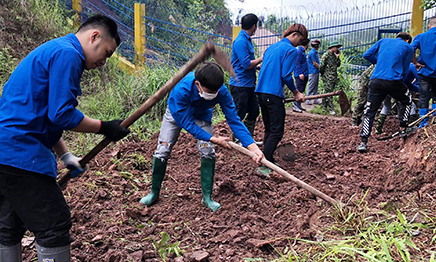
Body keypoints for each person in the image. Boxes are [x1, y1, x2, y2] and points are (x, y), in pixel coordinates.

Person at [0, 15, 130, 261]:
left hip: (5, 151)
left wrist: (66, 155)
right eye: (107, 53)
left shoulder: (54, 49)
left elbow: (41, 114)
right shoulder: (68, 54)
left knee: (8, 227)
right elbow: (61, 114)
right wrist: (104, 127)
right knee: (53, 226)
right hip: (20, 153)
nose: (104, 61)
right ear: (94, 37)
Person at [139, 62, 264, 212]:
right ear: (197, 84)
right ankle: (154, 193)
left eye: (216, 90)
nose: (213, 93)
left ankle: (207, 198)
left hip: (202, 116)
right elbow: (187, 123)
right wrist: (212, 138)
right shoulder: (181, 89)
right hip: (176, 115)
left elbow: (234, 120)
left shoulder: (222, 91)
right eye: (209, 91)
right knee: (163, 149)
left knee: (208, 152)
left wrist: (253, 147)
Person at [255, 23, 307, 173]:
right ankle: (265, 164)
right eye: (301, 39)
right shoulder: (291, 50)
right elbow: (285, 75)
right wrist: (297, 93)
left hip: (261, 92)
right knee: (277, 131)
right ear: (295, 35)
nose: (300, 43)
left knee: (269, 128)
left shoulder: (272, 48)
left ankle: (268, 159)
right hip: (273, 93)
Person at [357, 32, 414, 153]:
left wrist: (380, 62)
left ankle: (363, 142)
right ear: (408, 40)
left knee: (369, 111)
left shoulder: (383, 41)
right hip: (393, 81)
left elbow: (366, 55)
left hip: (376, 81)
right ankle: (403, 128)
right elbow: (404, 69)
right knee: (407, 100)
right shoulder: (408, 47)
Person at [230, 13, 263, 143]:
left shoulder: (247, 39)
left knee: (254, 111)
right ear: (254, 26)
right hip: (240, 85)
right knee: (240, 113)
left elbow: (248, 63)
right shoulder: (240, 41)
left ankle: (247, 140)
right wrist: (261, 59)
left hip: (248, 84)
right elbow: (246, 64)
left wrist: (258, 66)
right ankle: (236, 139)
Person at [375, 62, 420, 134]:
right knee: (411, 105)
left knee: (386, 106)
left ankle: (378, 128)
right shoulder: (410, 66)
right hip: (397, 88)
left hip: (384, 86)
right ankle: (412, 125)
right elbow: (418, 79)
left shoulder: (393, 64)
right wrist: (420, 89)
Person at [411, 16, 436, 128]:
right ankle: (434, 120)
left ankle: (423, 123)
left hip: (424, 72)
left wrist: (416, 63)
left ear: (429, 26)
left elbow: (410, 49)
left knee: (423, 97)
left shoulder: (421, 37)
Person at [320, 41, 342, 115]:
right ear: (332, 47)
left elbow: (338, 65)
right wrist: (323, 75)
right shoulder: (326, 55)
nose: (337, 49)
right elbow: (322, 66)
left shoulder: (334, 55)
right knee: (329, 92)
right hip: (327, 76)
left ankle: (324, 107)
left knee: (327, 91)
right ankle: (330, 108)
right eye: (336, 47)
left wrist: (338, 57)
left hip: (333, 76)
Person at [293, 38, 310, 113]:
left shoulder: (303, 51)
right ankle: (295, 105)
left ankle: (299, 105)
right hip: (300, 74)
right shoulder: (299, 52)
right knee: (299, 89)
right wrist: (300, 73)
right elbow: (297, 63)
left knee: (302, 89)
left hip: (304, 73)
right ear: (307, 44)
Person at [306, 39, 321, 105]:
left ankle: (315, 99)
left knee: (315, 86)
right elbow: (314, 63)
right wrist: (321, 68)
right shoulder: (312, 53)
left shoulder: (315, 52)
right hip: (313, 71)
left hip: (315, 71)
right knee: (311, 85)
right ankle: (308, 99)